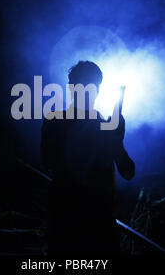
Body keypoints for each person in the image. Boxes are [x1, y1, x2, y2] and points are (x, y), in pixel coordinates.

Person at [41, 60, 135, 255]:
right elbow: (47, 161)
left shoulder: (102, 124)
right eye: (83, 85)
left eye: (92, 86)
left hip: (96, 218)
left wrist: (116, 142)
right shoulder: (56, 120)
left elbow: (128, 172)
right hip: (71, 216)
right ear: (72, 88)